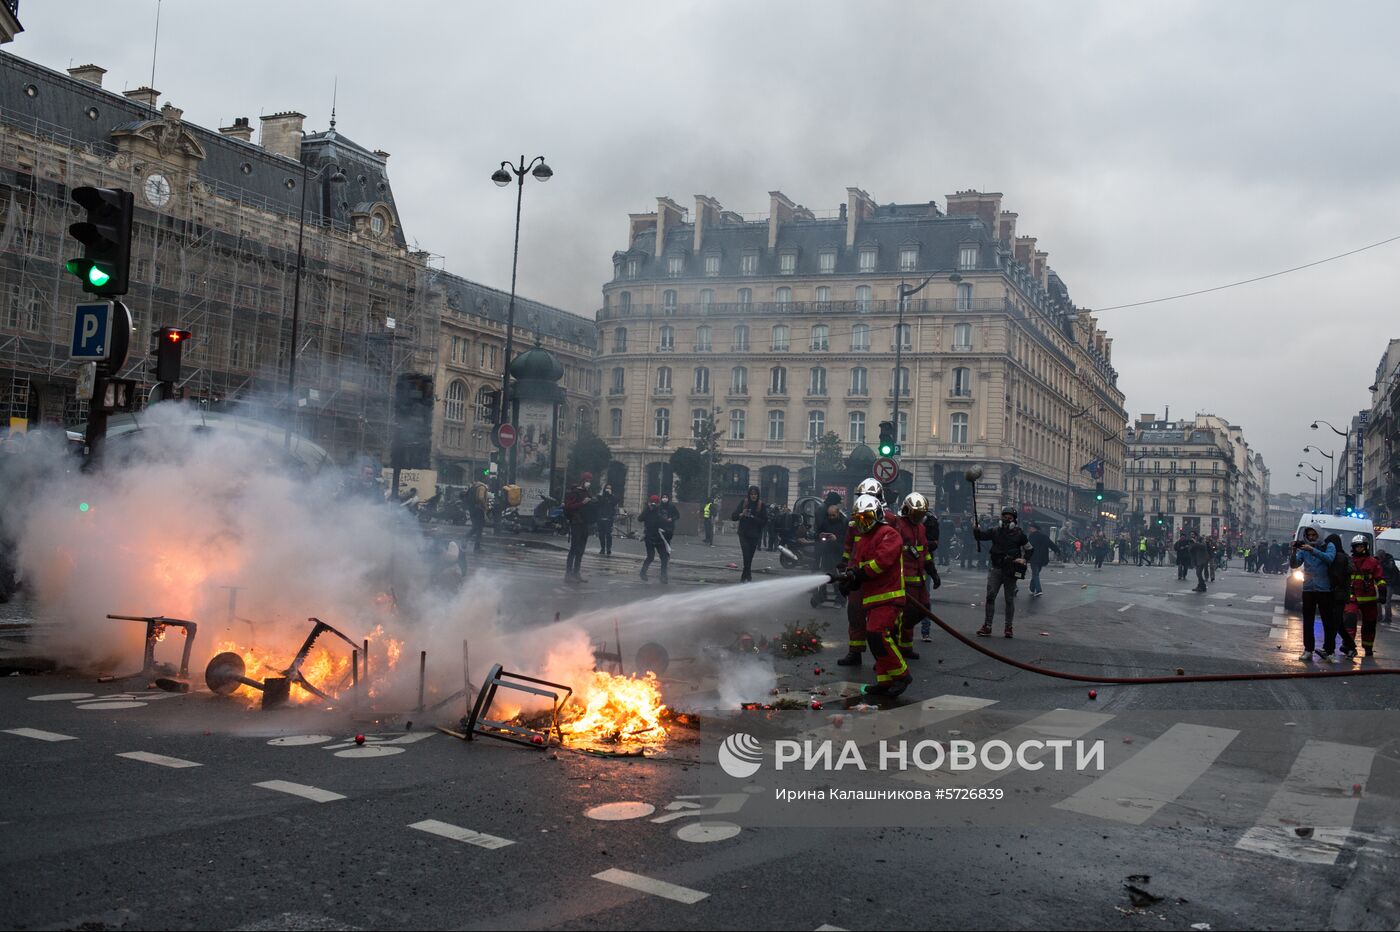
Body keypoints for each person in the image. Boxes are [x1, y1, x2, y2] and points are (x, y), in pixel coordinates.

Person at [842, 493, 911, 697]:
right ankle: (884, 681)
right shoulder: (863, 539)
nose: (863, 523)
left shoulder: (889, 534)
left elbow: (881, 562)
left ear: (877, 515)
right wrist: (848, 581)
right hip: (872, 598)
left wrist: (859, 574)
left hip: (888, 595)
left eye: (867, 518)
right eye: (860, 519)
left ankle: (902, 675)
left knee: (877, 635)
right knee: (875, 640)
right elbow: (856, 564)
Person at [837, 477, 888, 665]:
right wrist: (844, 565)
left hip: (877, 577)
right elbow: (849, 546)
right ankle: (855, 651)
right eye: (862, 495)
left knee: (879, 621)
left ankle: (882, 657)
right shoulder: (855, 520)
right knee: (855, 613)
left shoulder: (888, 520)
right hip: (857, 574)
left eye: (869, 496)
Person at [974, 507, 1029, 638]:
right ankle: (987, 626)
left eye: (1009, 517)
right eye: (1004, 516)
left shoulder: (1019, 534)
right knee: (990, 596)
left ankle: (1008, 627)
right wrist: (975, 529)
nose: (1006, 519)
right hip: (996, 568)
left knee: (1009, 599)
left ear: (1014, 521)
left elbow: (1030, 549)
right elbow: (981, 536)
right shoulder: (995, 531)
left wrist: (1024, 559)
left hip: (1010, 570)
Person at [892, 492, 933, 659]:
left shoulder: (921, 528)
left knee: (923, 610)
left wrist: (933, 571)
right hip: (903, 580)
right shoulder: (898, 525)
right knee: (903, 615)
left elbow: (925, 552)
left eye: (921, 514)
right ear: (907, 510)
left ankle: (906, 647)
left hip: (919, 579)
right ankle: (897, 648)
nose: (918, 517)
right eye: (916, 514)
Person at [1290, 527, 1336, 662]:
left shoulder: (1328, 546)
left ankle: (1329, 651)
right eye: (1309, 535)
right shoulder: (1304, 548)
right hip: (1308, 588)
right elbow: (1294, 564)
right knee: (1308, 621)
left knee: (1327, 622)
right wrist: (1294, 551)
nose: (1311, 537)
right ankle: (1308, 649)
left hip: (1324, 589)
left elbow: (1330, 559)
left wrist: (1313, 550)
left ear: (1319, 534)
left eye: (1313, 535)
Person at [1343, 535, 1385, 658]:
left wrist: (1382, 591)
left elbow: (1380, 578)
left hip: (1369, 599)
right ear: (1353, 548)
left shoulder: (1373, 562)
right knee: (1349, 620)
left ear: (1366, 547)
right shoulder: (1349, 561)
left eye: (1362, 546)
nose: (1359, 549)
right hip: (1352, 597)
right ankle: (1349, 645)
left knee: (1369, 624)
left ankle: (1368, 648)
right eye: (1357, 546)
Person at [812, 492, 847, 607]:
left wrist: (836, 538)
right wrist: (821, 535)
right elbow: (819, 530)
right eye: (830, 515)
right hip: (826, 551)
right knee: (825, 574)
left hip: (836, 552)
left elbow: (846, 537)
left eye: (833, 515)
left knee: (835, 575)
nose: (831, 517)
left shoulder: (843, 521)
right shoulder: (825, 515)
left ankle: (839, 597)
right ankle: (822, 596)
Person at [562, 472, 595, 583]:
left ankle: (576, 573)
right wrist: (582, 503)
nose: (588, 483)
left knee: (581, 550)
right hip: (576, 523)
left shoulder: (587, 492)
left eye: (590, 481)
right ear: (582, 480)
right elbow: (569, 507)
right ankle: (568, 574)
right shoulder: (574, 493)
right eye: (587, 481)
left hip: (585, 523)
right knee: (574, 549)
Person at [732, 485, 767, 583]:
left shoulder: (761, 505)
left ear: (758, 495)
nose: (753, 496)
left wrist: (753, 517)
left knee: (750, 556)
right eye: (751, 494)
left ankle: (745, 574)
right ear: (749, 494)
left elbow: (764, 521)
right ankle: (747, 575)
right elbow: (733, 516)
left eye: (755, 494)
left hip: (755, 535)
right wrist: (742, 514)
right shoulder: (744, 503)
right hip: (743, 533)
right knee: (746, 554)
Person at [640, 495, 673, 583]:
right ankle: (643, 572)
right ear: (649, 503)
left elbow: (664, 521)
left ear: (658, 503)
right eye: (652, 503)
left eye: (655, 503)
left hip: (659, 537)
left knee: (664, 557)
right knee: (650, 557)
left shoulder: (660, 511)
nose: (654, 505)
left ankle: (663, 576)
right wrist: (648, 509)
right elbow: (640, 518)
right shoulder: (647, 510)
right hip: (649, 537)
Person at [1025, 522, 1061, 597]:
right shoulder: (1044, 536)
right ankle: (1032, 588)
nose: (1029, 529)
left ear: (1034, 528)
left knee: (1035, 574)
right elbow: (1051, 544)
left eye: (1030, 527)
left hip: (1034, 557)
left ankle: (1038, 590)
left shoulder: (1032, 536)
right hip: (1043, 558)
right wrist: (1057, 551)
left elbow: (1028, 547)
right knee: (1036, 574)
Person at [1378, 545, 1400, 626]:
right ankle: (1379, 616)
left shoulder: (1389, 560)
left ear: (1383, 556)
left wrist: (1382, 563)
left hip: (1389, 583)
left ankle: (1388, 617)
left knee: (1387, 601)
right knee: (1379, 601)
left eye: (1380, 557)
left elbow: (1390, 567)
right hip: (1381, 582)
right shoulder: (1380, 560)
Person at [595, 483, 617, 555]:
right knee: (601, 535)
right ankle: (602, 548)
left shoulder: (612, 497)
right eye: (607, 488)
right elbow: (598, 502)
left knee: (608, 534)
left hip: (609, 519)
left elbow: (615, 502)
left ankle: (608, 549)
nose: (608, 489)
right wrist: (602, 492)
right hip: (600, 518)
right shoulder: (601, 496)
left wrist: (610, 495)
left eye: (610, 488)